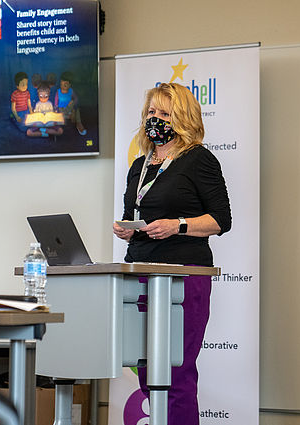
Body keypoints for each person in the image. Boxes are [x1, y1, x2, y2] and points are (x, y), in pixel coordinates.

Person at [113, 82, 231, 425]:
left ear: (182, 118)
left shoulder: (198, 159)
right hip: (141, 274)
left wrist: (176, 225)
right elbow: (135, 214)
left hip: (183, 276)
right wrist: (126, 228)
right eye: (151, 112)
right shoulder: (140, 165)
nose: (155, 119)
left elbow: (221, 220)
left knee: (175, 372)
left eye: (164, 113)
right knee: (148, 371)